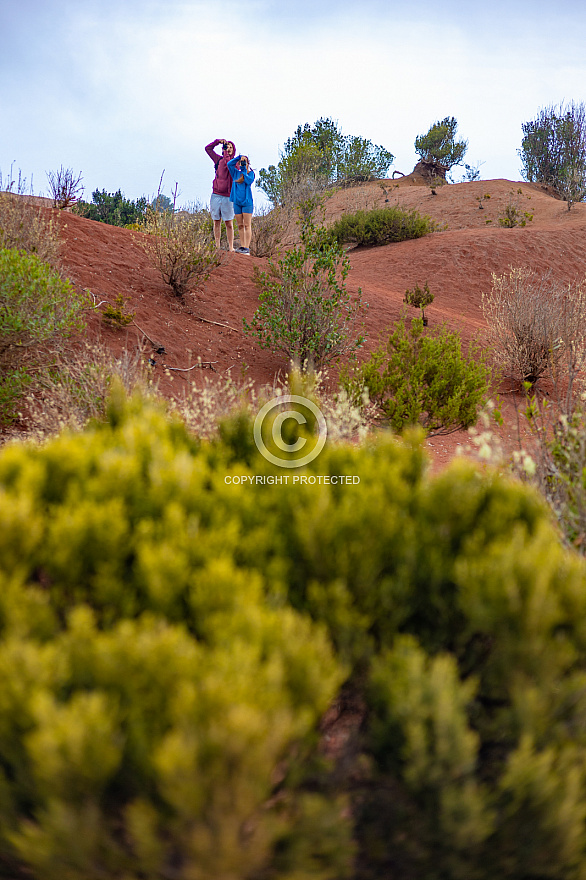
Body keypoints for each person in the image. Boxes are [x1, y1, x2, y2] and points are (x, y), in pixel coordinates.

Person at [205, 137, 237, 252]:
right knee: (216, 221)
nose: (228, 149)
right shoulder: (218, 160)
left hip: (228, 197)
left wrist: (226, 154)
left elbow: (229, 165)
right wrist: (218, 142)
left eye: (230, 147)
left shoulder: (235, 163)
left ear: (233, 150)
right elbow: (207, 149)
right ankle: (217, 246)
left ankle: (231, 247)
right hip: (216, 195)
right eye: (226, 147)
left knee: (229, 222)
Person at [227, 153, 255, 255]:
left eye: (244, 162)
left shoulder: (250, 174)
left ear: (248, 163)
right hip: (237, 203)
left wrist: (244, 169)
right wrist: (239, 157)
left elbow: (248, 181)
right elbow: (229, 164)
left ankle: (247, 247)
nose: (242, 164)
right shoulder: (235, 173)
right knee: (240, 225)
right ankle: (242, 246)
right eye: (241, 163)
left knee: (247, 225)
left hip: (247, 203)